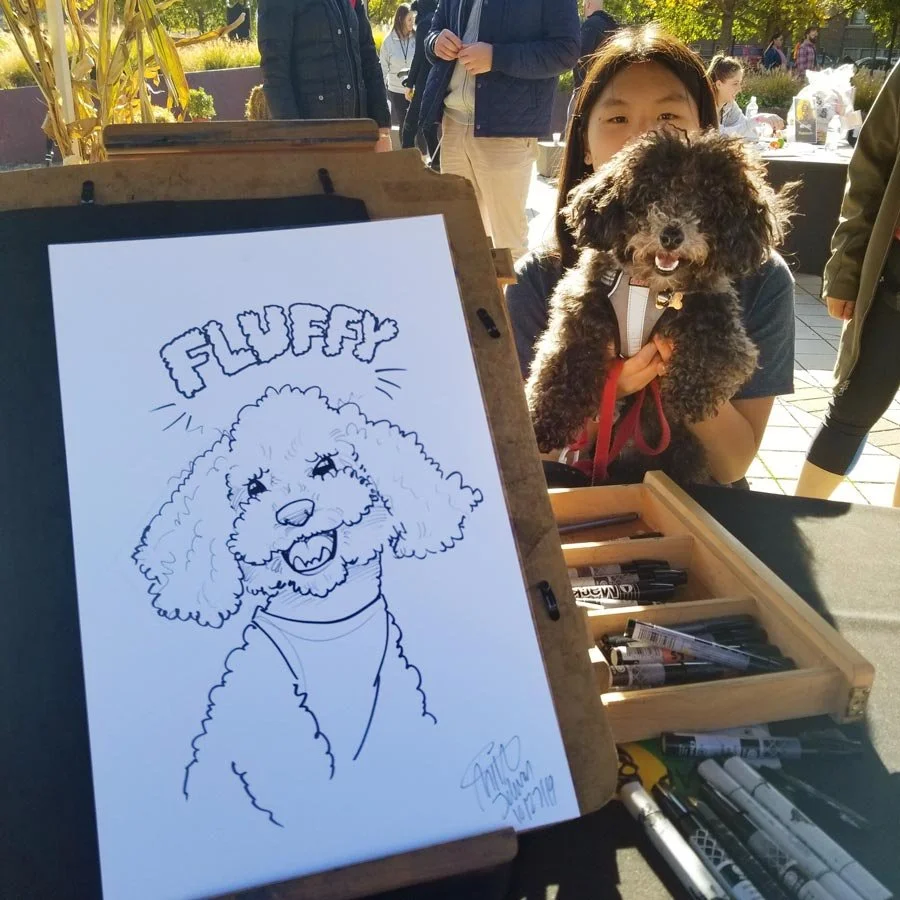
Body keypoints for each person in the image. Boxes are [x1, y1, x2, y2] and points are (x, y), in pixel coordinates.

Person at [506, 25, 796, 487]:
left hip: (702, 506)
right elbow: (527, 449)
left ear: (705, 129)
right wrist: (610, 386)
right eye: (618, 119)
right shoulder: (538, 278)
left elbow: (733, 465)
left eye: (668, 117)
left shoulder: (762, 280)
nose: (643, 138)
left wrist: (684, 370)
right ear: (582, 141)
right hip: (579, 499)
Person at [796, 63, 900, 507]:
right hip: (894, 280)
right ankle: (794, 526)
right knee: (853, 407)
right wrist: (845, 271)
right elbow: (869, 170)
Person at [420, 0, 580, 263]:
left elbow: (566, 50)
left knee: (509, 249)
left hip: (507, 132)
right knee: (458, 243)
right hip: (452, 126)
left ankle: (512, 306)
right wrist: (435, 41)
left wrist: (497, 58)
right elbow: (433, 30)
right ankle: (468, 306)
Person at [258, 0, 392, 152]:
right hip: (313, 143)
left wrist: (382, 130)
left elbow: (368, 57)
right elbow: (275, 72)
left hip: (359, 137)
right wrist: (294, 141)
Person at [401, 0, 440, 166]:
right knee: (428, 127)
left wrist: (409, 83)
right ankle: (437, 164)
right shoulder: (440, 21)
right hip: (438, 81)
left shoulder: (424, 25)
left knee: (409, 129)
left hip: (424, 83)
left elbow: (418, 58)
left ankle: (407, 166)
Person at [707, 55, 784, 139]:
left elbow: (746, 129)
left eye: (740, 83)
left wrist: (767, 130)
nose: (739, 89)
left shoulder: (729, 105)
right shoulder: (705, 107)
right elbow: (718, 135)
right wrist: (759, 118)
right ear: (719, 84)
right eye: (735, 83)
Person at [380, 4, 416, 132]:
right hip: (396, 90)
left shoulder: (416, 38)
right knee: (404, 123)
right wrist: (381, 92)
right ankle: (406, 151)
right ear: (401, 20)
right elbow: (383, 68)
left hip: (413, 89)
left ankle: (421, 152)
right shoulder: (388, 42)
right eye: (409, 19)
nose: (412, 23)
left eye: (413, 19)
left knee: (416, 124)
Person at [574, 0, 619, 90]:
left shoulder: (590, 25)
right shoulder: (614, 27)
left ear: (588, 4)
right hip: (609, 86)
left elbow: (582, 58)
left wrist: (579, 88)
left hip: (588, 88)